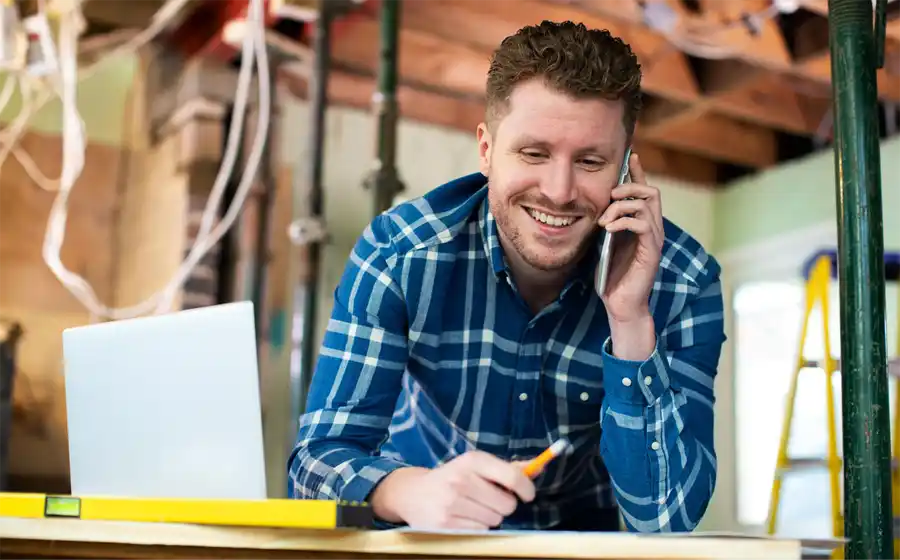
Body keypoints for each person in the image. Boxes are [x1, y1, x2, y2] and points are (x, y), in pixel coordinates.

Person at [287, 20, 725, 533]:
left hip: (580, 543)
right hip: (427, 525)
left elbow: (667, 520)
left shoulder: (683, 282)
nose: (559, 191)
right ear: (487, 150)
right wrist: (407, 491)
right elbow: (315, 463)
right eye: (533, 153)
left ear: (625, 170)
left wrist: (630, 321)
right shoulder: (398, 254)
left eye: (590, 160)